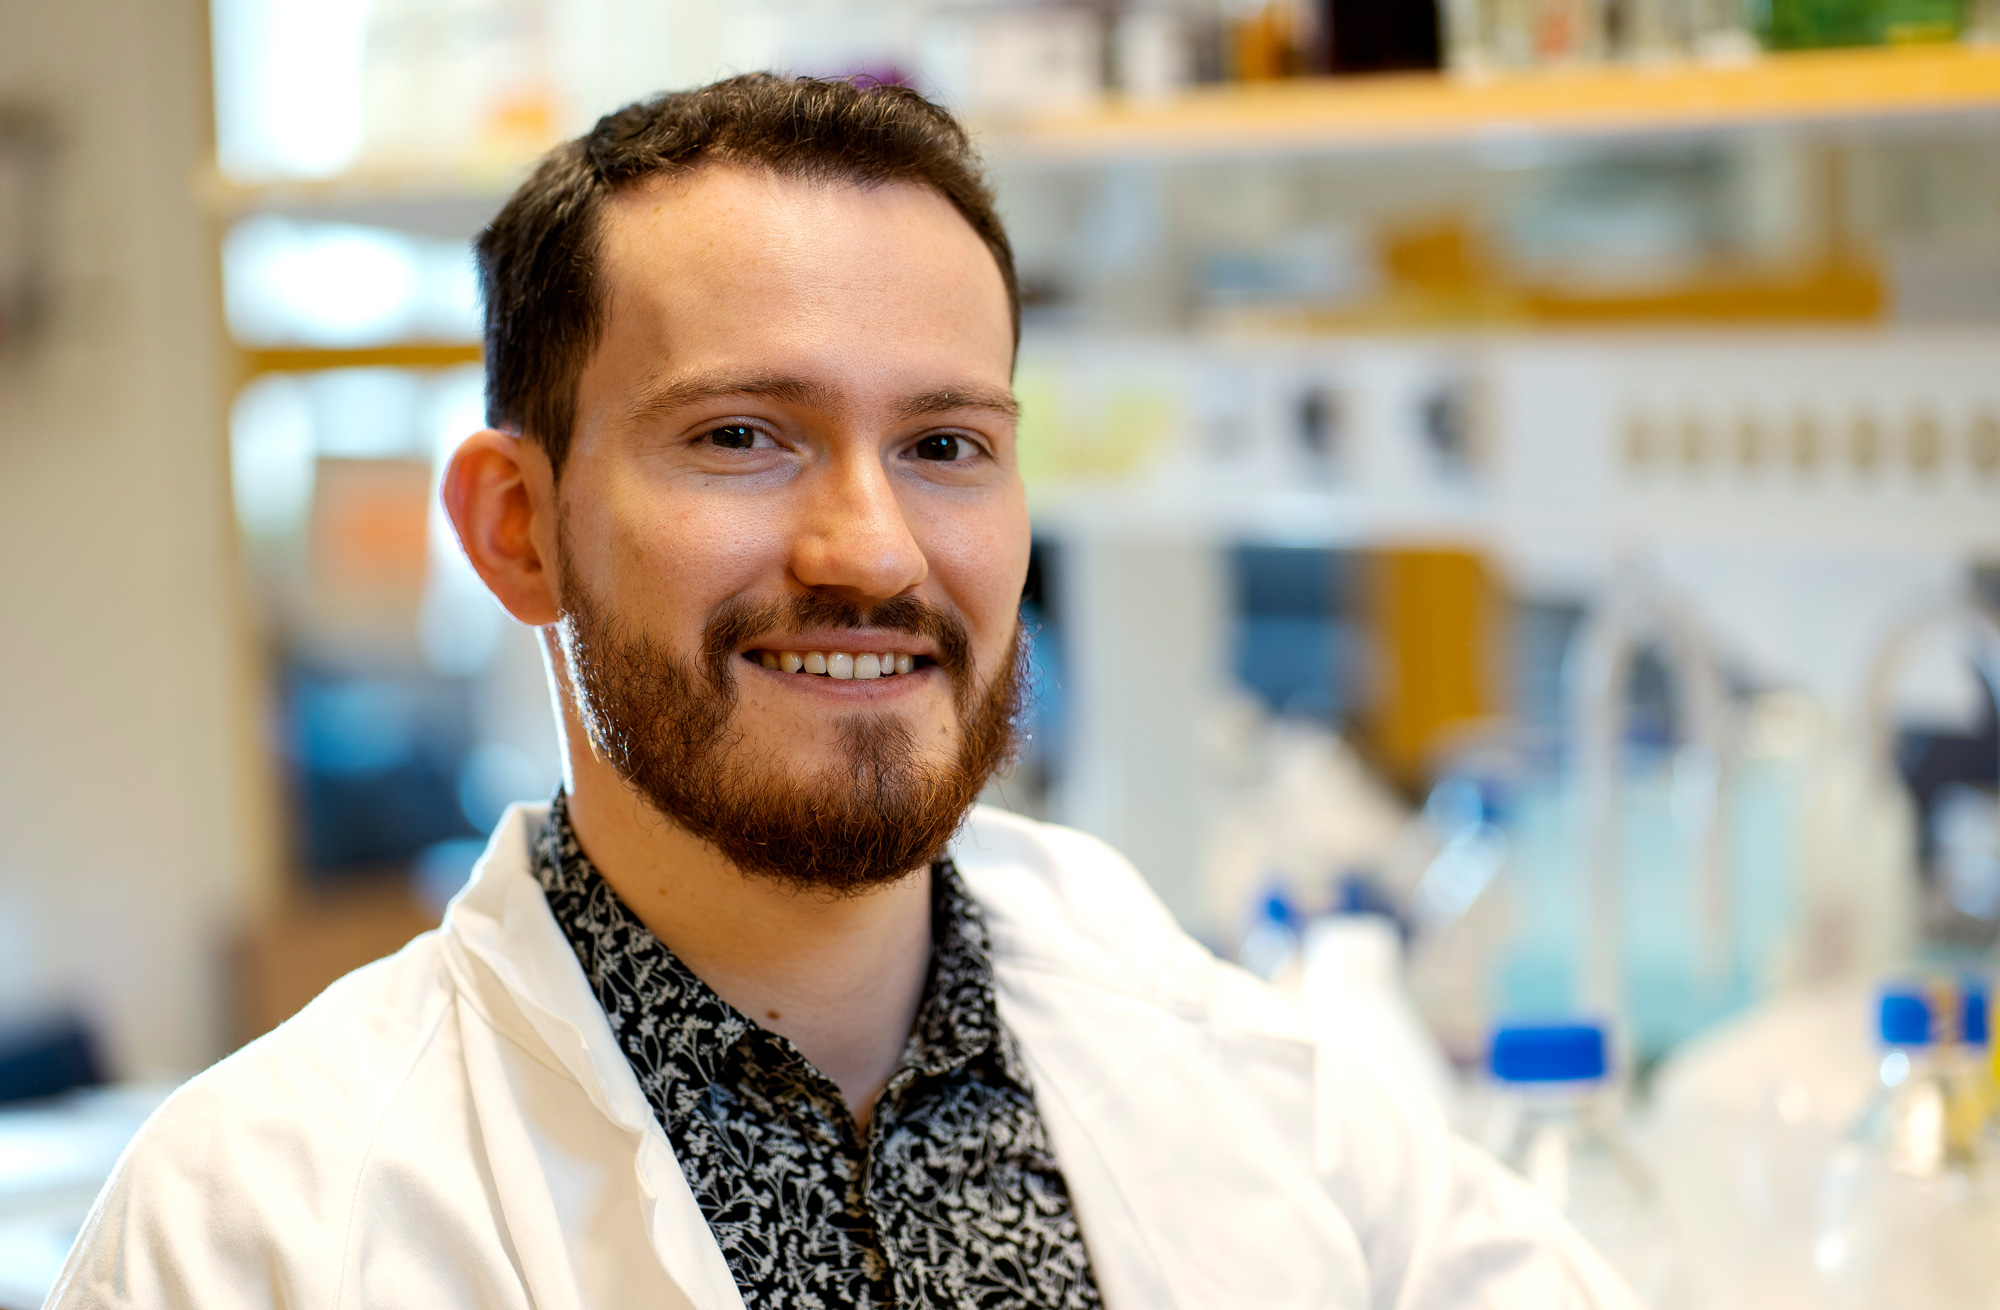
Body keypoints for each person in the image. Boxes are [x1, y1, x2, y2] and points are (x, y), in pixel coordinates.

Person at [51, 75, 1636, 1309]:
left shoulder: (1231, 1064)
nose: (872, 549)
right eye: (742, 434)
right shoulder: (257, 1219)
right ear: (519, 527)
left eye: (946, 444)